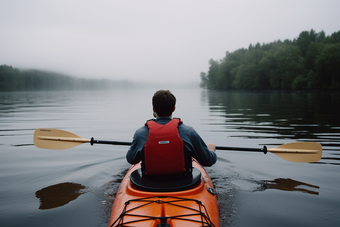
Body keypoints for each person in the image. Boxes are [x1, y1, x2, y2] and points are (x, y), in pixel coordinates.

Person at [126, 90, 216, 176]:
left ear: (154, 109)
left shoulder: (140, 133)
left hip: (149, 183)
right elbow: (207, 161)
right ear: (174, 108)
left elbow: (131, 159)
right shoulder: (188, 132)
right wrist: (211, 150)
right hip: (183, 183)